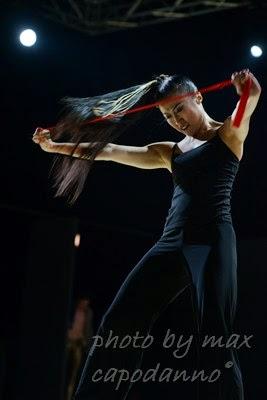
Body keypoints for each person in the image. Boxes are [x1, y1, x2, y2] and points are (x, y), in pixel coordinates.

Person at [32, 69, 261, 400]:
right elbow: (109, 151)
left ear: (197, 97)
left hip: (212, 242)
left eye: (178, 109)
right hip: (171, 244)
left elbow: (249, 102)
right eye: (167, 115)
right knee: (120, 322)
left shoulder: (227, 134)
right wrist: (54, 147)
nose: (175, 120)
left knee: (216, 337)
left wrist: (247, 91)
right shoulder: (169, 152)